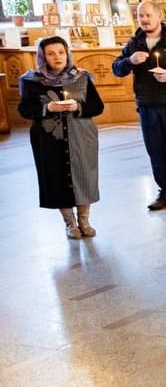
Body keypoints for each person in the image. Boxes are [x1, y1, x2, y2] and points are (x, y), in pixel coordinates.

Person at [112, 1, 166, 210]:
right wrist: (130, 61)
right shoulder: (134, 44)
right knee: (155, 152)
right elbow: (117, 68)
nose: (144, 19)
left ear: (159, 16)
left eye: (148, 15)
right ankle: (165, 192)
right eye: (140, 16)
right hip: (147, 106)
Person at [19, 36, 104, 238]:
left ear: (67, 53)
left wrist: (77, 106)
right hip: (48, 139)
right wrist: (47, 108)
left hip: (81, 137)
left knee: (84, 176)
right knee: (56, 177)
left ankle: (84, 221)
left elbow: (97, 106)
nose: (57, 57)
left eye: (61, 52)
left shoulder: (82, 77)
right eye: (50, 53)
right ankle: (70, 223)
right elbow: (24, 110)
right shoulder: (31, 81)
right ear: (43, 57)